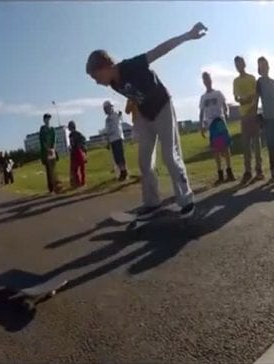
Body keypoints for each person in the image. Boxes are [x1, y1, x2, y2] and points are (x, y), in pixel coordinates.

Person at [85, 22, 207, 218]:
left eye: (96, 76)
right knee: (144, 161)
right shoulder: (113, 84)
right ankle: (152, 203)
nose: (97, 82)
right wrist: (138, 120)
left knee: (170, 156)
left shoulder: (132, 65)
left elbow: (159, 50)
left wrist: (188, 35)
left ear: (106, 66)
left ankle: (186, 201)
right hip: (145, 115)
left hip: (163, 107)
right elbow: (134, 94)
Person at [199, 72, 236, 185]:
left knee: (225, 147)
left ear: (211, 80)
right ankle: (220, 173)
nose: (207, 81)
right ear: (203, 82)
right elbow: (201, 112)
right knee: (216, 149)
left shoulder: (218, 93)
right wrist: (201, 126)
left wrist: (227, 112)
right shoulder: (203, 97)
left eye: (208, 78)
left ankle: (229, 171)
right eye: (205, 79)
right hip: (211, 124)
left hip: (219, 121)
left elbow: (225, 105)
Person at [233, 56, 264, 184]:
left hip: (253, 114)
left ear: (244, 64)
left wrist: (253, 107)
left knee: (257, 144)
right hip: (244, 116)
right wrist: (241, 99)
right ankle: (248, 171)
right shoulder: (235, 81)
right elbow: (236, 97)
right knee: (245, 145)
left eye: (240, 63)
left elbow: (256, 96)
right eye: (236, 64)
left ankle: (259, 170)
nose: (238, 66)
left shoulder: (252, 78)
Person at [103, 100, 128, 181]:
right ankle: (121, 171)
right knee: (116, 157)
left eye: (107, 108)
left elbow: (121, 117)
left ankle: (124, 171)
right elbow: (107, 131)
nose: (106, 110)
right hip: (112, 140)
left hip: (118, 137)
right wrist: (107, 142)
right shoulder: (107, 119)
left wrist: (120, 113)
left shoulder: (116, 114)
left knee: (120, 156)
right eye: (105, 109)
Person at [40, 113, 60, 193]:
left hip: (52, 151)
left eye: (49, 119)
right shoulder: (42, 129)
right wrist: (47, 149)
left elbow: (54, 139)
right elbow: (42, 140)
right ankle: (51, 188)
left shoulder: (52, 129)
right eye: (46, 119)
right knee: (48, 170)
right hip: (46, 152)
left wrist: (53, 148)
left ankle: (57, 185)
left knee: (54, 169)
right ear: (44, 120)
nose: (48, 120)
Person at [68, 120, 87, 188]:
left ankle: (83, 182)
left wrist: (81, 147)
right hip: (74, 152)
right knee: (75, 169)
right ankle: (78, 182)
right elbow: (71, 144)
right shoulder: (70, 135)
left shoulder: (78, 134)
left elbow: (83, 140)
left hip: (78, 151)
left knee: (82, 167)